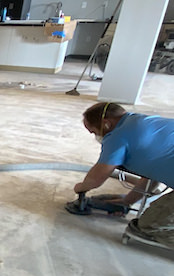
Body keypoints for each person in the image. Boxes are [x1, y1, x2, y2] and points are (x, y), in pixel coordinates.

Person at [72, 101, 174, 248]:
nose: (96, 136)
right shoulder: (144, 122)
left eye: (94, 132)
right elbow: (152, 175)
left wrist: (80, 187)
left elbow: (97, 177)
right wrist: (128, 200)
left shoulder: (117, 136)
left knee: (149, 226)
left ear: (106, 123)